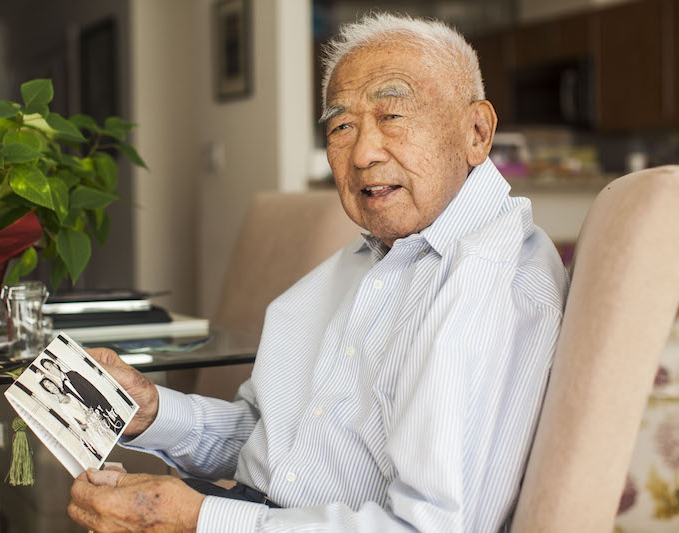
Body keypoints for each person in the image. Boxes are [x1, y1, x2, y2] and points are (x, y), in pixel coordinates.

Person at [68, 13, 568, 533]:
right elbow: (277, 444)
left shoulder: (490, 283)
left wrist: (200, 518)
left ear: (476, 132)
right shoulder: (369, 259)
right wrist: (150, 412)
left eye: (393, 114)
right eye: (341, 126)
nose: (363, 153)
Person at [42, 357, 124, 433]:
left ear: (55, 365)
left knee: (120, 423)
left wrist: (105, 405)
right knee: (114, 430)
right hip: (95, 414)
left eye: (51, 366)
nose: (52, 370)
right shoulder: (64, 389)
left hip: (102, 405)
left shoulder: (73, 374)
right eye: (48, 369)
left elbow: (92, 390)